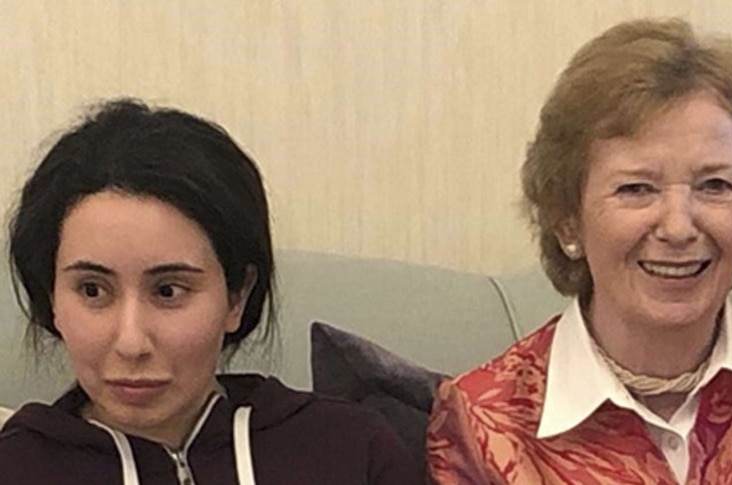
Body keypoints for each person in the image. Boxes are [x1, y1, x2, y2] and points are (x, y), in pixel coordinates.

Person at [427, 18, 732, 484]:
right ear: (568, 220)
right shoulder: (483, 423)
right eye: (637, 188)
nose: (678, 227)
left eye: (715, 185)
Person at [0, 99, 422, 484]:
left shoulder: (349, 449)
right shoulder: (17, 465)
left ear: (237, 296)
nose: (131, 342)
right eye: (92, 290)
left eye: (168, 291)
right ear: (51, 298)